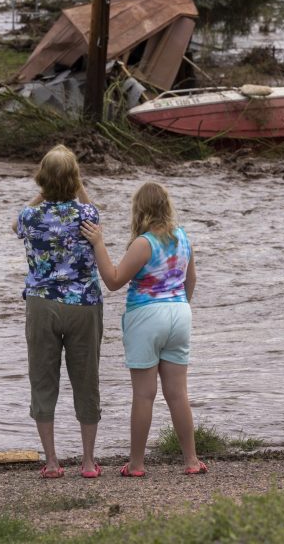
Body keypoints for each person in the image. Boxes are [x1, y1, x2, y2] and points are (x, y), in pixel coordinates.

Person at [80, 181, 206, 476]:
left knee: (144, 394)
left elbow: (112, 281)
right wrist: (179, 304)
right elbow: (191, 279)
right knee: (178, 394)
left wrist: (98, 243)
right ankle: (191, 461)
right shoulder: (183, 237)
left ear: (139, 210)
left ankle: (136, 464)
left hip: (147, 315)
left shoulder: (144, 243)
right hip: (180, 313)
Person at [13, 144, 103, 479]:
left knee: (43, 380)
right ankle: (89, 463)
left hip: (42, 303)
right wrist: (76, 185)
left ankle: (52, 462)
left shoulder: (30, 217)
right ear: (75, 179)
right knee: (86, 380)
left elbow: (15, 225)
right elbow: (92, 208)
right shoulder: (87, 215)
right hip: (83, 304)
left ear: (42, 180)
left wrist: (42, 194)